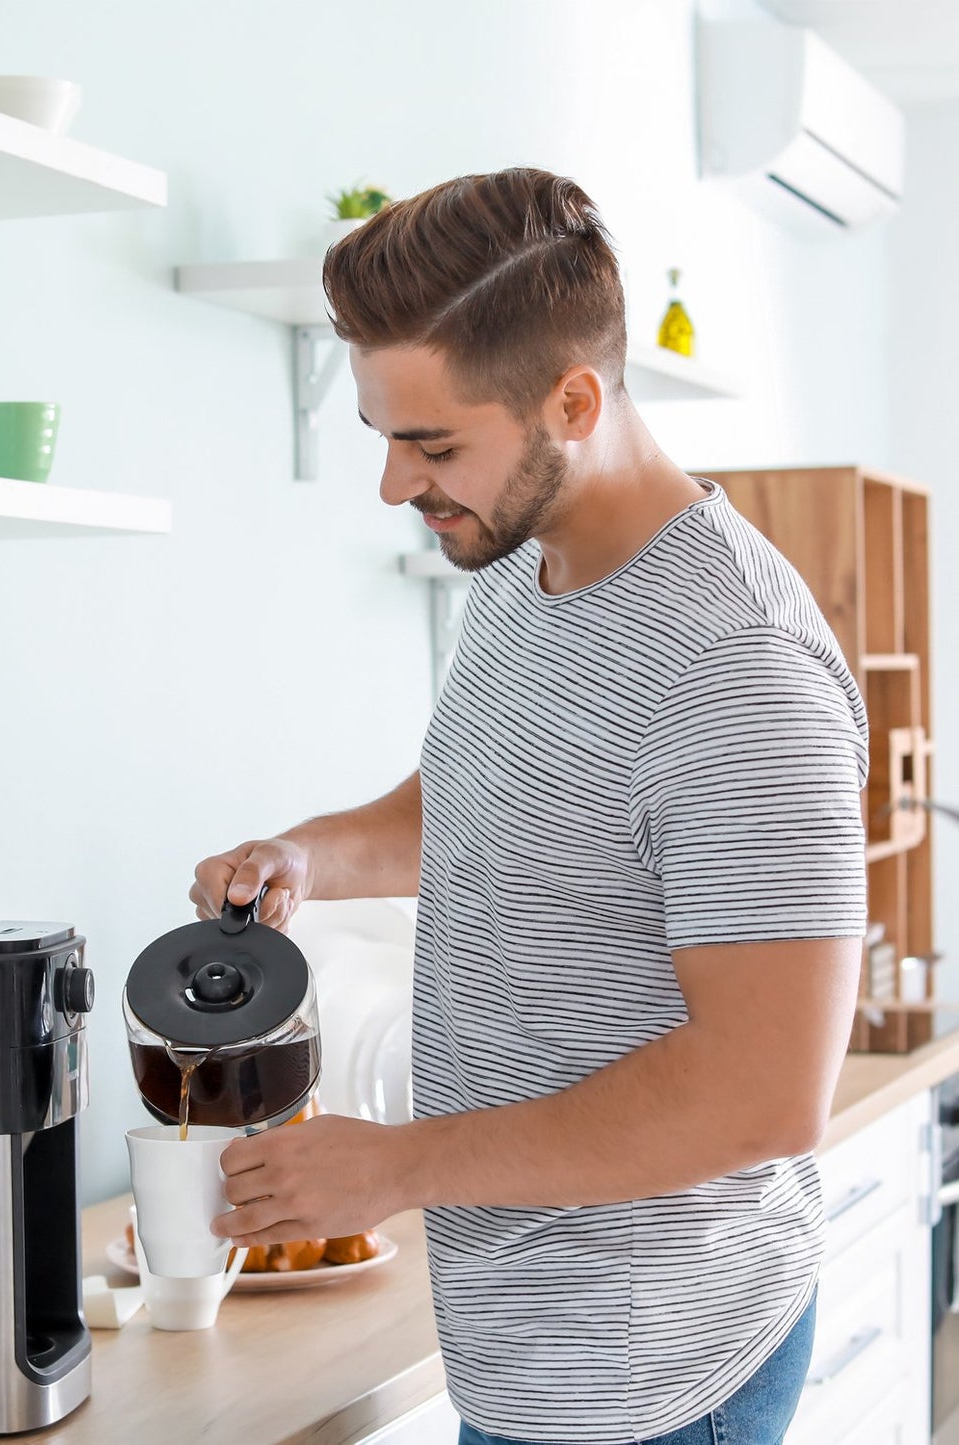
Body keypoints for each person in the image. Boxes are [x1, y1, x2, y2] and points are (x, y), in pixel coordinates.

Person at [189, 169, 866, 1445]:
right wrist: (307, 856)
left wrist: (394, 1164)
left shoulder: (736, 667)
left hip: (658, 1367)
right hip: (529, 1345)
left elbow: (763, 1090)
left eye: (432, 444)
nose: (395, 484)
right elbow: (487, 802)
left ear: (574, 401)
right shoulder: (527, 559)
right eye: (384, 436)